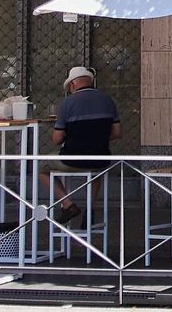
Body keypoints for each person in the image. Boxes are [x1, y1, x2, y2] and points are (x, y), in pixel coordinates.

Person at [42, 66, 120, 225]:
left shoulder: (67, 103)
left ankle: (67, 204)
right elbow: (117, 132)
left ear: (73, 84)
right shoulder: (107, 100)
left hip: (72, 160)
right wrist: (96, 138)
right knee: (95, 170)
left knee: (40, 167)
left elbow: (57, 139)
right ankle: (90, 209)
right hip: (101, 160)